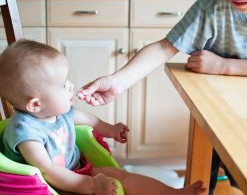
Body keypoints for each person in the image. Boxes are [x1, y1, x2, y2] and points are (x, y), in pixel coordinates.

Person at [76, 0, 247, 194]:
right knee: (206, 170)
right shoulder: (213, 5)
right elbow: (165, 47)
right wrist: (118, 81)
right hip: (214, 109)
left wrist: (224, 66)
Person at [0, 39, 206, 195]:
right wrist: (91, 185)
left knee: (121, 175)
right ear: (36, 104)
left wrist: (111, 129)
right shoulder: (27, 134)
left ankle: (173, 193)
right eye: (63, 85)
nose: (70, 85)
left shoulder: (57, 112)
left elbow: (90, 120)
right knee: (108, 182)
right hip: (53, 186)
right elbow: (48, 172)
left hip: (77, 170)